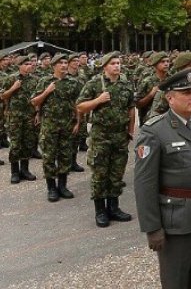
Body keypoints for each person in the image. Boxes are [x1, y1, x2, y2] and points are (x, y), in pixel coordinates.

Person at [133, 69, 191, 289]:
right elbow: (144, 183)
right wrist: (152, 227)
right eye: (186, 92)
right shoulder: (155, 131)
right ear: (170, 98)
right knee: (176, 281)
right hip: (177, 223)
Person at [76, 52, 136, 227]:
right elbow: (80, 106)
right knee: (100, 174)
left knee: (116, 173)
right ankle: (100, 211)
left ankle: (114, 207)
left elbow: (131, 108)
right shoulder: (95, 83)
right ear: (104, 67)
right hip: (101, 136)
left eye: (118, 63)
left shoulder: (125, 84)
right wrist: (98, 100)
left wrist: (131, 130)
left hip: (120, 136)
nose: (117, 66)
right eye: (113, 63)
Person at [31, 54, 82, 202]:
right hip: (49, 126)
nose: (64, 65)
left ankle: (62, 186)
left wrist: (78, 122)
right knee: (49, 157)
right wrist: (47, 91)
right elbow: (34, 101)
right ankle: (51, 188)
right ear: (54, 66)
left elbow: (77, 104)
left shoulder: (73, 83)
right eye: (61, 63)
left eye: (66, 62)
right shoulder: (45, 81)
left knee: (65, 156)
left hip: (67, 125)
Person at [1, 55, 39, 183]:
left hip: (29, 116)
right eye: (26, 64)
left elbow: (38, 99)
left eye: (30, 64)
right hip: (15, 117)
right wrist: (13, 88)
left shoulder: (35, 80)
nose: (30, 66)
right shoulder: (10, 78)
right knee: (16, 144)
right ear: (20, 66)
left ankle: (25, 169)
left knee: (27, 142)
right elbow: (2, 96)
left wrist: (37, 113)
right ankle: (15, 172)